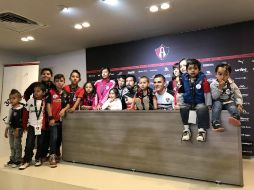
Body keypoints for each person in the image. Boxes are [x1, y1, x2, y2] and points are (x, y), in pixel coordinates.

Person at [23, 68, 55, 161]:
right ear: (41, 75)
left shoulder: (52, 86)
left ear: (51, 75)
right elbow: (26, 93)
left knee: (43, 139)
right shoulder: (35, 84)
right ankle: (27, 157)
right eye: (44, 73)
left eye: (48, 74)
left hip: (45, 115)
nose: (46, 75)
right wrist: (31, 103)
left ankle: (41, 156)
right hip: (35, 115)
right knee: (30, 141)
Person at [180, 59, 212, 142]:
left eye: (195, 68)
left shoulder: (203, 78)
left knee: (202, 108)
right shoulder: (183, 78)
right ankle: (186, 130)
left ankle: (201, 131)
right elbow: (181, 92)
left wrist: (208, 104)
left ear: (199, 70)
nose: (192, 70)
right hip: (187, 102)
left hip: (199, 102)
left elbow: (207, 92)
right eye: (190, 69)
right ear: (187, 70)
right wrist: (180, 103)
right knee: (183, 107)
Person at [19, 82, 47, 170]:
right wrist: (24, 125)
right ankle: (27, 160)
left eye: (38, 91)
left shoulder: (45, 101)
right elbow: (25, 114)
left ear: (43, 92)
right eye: (34, 91)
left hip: (41, 126)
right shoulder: (30, 101)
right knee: (29, 143)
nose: (35, 93)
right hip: (31, 126)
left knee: (40, 143)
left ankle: (38, 158)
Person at [210, 63, 243, 132]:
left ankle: (235, 117)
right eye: (220, 74)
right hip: (218, 101)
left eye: (225, 74)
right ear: (215, 74)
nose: (222, 77)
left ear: (229, 75)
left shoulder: (232, 84)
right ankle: (215, 123)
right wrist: (219, 88)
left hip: (228, 101)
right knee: (217, 106)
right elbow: (214, 97)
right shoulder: (213, 84)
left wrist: (239, 104)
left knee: (232, 106)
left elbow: (238, 95)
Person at [47, 74, 70, 167]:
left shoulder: (65, 93)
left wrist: (64, 110)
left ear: (64, 82)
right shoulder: (51, 92)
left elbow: (68, 104)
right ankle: (52, 156)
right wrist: (50, 117)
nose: (59, 83)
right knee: (54, 138)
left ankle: (56, 154)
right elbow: (48, 105)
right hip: (54, 120)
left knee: (60, 138)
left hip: (63, 121)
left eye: (61, 81)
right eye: (57, 81)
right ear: (54, 82)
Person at [4, 89, 28, 168]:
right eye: (10, 98)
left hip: (17, 130)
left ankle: (18, 160)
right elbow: (8, 120)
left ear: (19, 99)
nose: (11, 100)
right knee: (12, 145)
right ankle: (13, 159)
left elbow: (21, 121)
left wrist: (18, 129)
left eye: (14, 98)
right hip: (11, 129)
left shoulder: (21, 109)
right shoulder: (11, 109)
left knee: (17, 144)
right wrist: (6, 129)